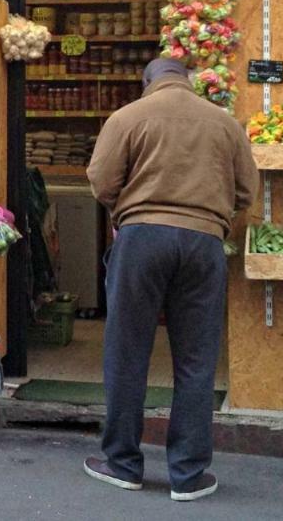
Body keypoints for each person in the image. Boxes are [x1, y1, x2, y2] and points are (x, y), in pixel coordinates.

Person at [83, 57, 258, 501]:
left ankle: (123, 463)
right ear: (189, 82)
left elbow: (102, 182)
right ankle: (189, 473)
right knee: (197, 359)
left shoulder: (127, 117)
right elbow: (246, 192)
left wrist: (132, 208)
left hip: (141, 238)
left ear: (148, 83)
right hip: (204, 242)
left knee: (127, 351)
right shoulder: (224, 123)